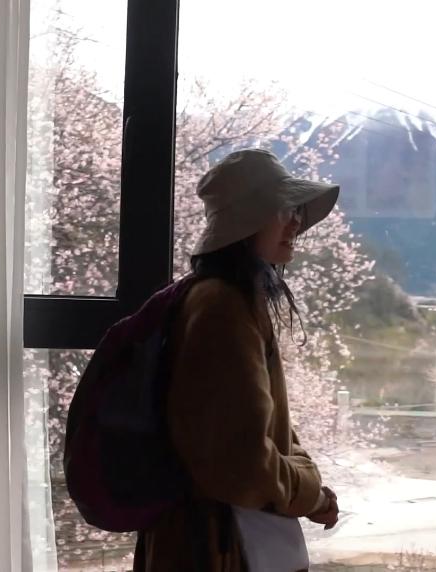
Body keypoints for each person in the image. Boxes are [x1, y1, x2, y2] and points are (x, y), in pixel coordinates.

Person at [134, 149, 341, 572]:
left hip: (213, 534)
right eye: (284, 210)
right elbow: (244, 461)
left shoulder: (220, 298)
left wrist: (303, 481)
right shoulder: (223, 309)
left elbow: (254, 424)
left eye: (295, 211)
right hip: (217, 544)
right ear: (248, 221)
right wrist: (310, 493)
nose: (296, 223)